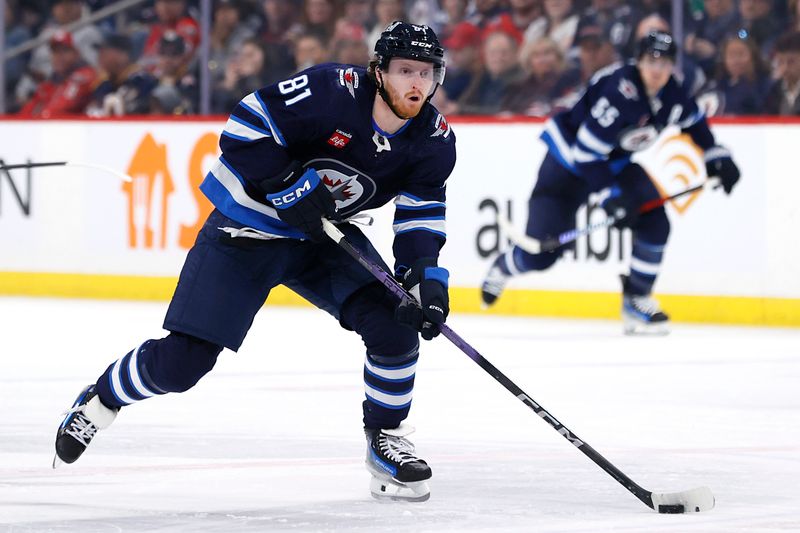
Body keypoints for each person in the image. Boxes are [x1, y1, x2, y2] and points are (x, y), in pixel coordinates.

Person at [54, 21, 456, 503]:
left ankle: (384, 441)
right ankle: (101, 400)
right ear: (378, 71)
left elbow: (422, 213)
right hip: (245, 232)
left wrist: (423, 279)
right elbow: (244, 125)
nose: (416, 83)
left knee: (396, 325)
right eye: (404, 70)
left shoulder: (434, 139)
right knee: (183, 365)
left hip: (321, 239)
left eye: (426, 72)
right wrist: (288, 184)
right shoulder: (331, 91)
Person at [479, 31, 741, 335]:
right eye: (651, 61)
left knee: (656, 221)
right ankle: (502, 267)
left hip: (613, 164)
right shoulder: (619, 90)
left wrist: (714, 154)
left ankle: (636, 299)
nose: (658, 69)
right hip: (566, 167)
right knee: (542, 255)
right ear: (639, 61)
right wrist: (610, 197)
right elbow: (586, 154)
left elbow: (694, 120)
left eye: (665, 62)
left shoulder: (672, 93)